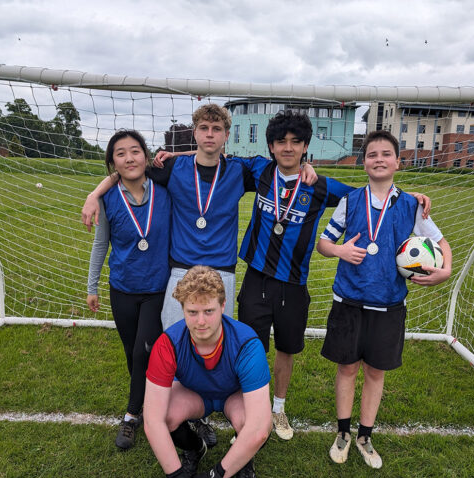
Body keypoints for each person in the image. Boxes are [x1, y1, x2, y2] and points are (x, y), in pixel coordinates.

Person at [82, 104, 315, 447]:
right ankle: (172, 412)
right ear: (194, 132)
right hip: (181, 272)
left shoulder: (240, 170)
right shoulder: (172, 167)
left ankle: (202, 416)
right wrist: (95, 193)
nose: (209, 134)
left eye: (216, 129)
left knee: (212, 349)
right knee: (176, 347)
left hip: (222, 273)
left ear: (226, 135)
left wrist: (306, 165)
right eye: (203, 128)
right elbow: (129, 170)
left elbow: (285, 165)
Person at [233, 111, 431, 441]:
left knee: (286, 350)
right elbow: (212, 155)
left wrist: (413, 199)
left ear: (305, 147)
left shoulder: (320, 185)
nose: (287, 148)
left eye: (296, 142)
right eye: (281, 142)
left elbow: (369, 194)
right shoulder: (259, 170)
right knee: (251, 349)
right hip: (256, 278)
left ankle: (278, 408)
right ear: (271, 146)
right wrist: (170, 155)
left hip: (294, 283)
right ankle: (252, 411)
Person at [317, 129, 452, 469]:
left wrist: (446, 270)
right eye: (372, 154)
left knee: (376, 372)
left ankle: (365, 436)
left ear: (398, 162)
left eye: (386, 154)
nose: (379, 159)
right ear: (364, 163)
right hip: (349, 300)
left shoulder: (411, 205)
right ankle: (343, 432)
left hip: (389, 303)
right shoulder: (350, 201)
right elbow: (323, 244)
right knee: (347, 368)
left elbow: (441, 243)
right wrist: (339, 250)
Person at [143, 266, 272, 478]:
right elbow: (152, 420)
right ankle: (195, 448)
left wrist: (214, 477)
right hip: (194, 394)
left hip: (233, 396)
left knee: (256, 423)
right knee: (165, 416)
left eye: (209, 311)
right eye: (192, 312)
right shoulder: (167, 343)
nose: (201, 321)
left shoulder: (247, 343)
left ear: (223, 306)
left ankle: (243, 460)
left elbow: (259, 429)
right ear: (182, 309)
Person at [87, 129, 171, 450]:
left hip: (157, 289)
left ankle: (132, 415)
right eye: (120, 153)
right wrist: (92, 286)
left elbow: (204, 158)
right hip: (122, 289)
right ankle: (148, 401)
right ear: (113, 162)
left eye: (135, 151)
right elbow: (101, 244)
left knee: (143, 351)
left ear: (145, 156)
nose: (129, 158)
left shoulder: (165, 190)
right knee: (131, 353)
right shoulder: (108, 199)